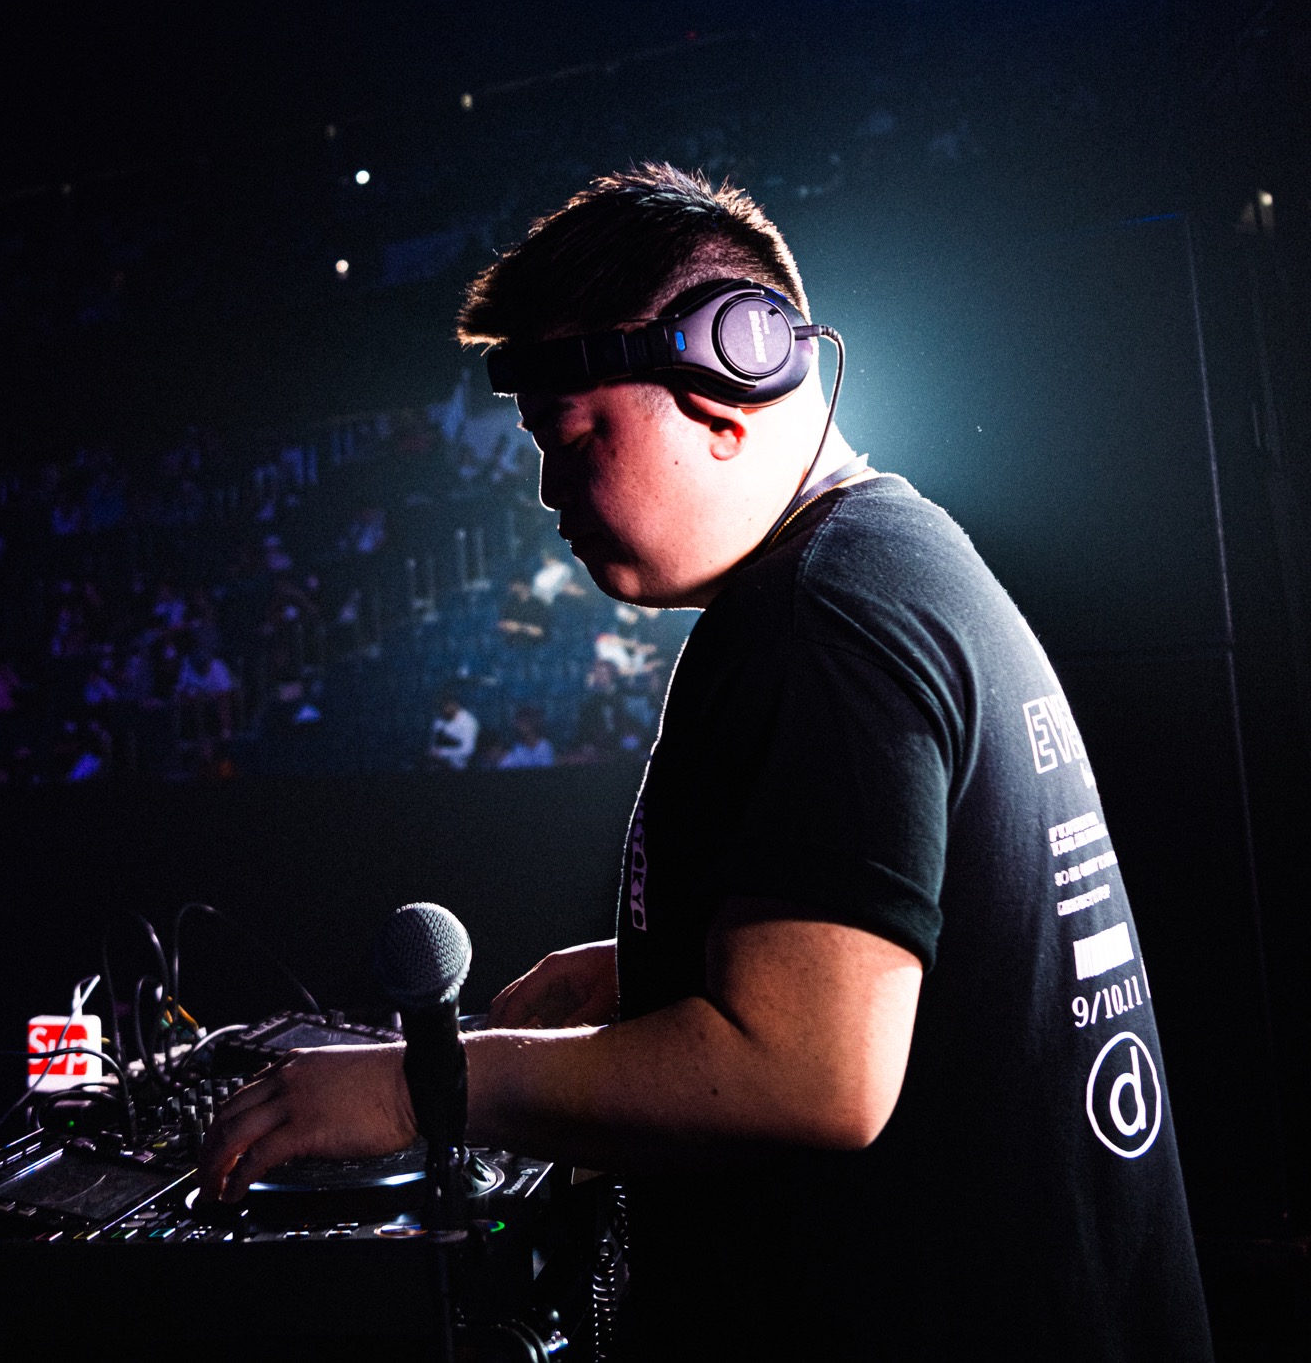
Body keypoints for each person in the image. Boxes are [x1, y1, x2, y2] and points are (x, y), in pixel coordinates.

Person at [200, 165, 1213, 1362]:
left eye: (570, 433)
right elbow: (925, 968)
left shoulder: (817, 621)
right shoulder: (894, 557)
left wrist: (424, 1087)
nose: (546, 488)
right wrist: (657, 971)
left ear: (728, 376)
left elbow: (810, 1075)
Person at [427, 690, 480, 771]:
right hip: (438, 766)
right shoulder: (438, 721)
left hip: (461, 768)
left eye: (446, 705)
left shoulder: (468, 722)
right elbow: (434, 745)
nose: (444, 709)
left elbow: (468, 750)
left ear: (455, 705)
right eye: (441, 706)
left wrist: (442, 753)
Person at [495, 703, 555, 769]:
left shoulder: (545, 746)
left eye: (524, 722)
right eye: (519, 722)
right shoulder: (516, 749)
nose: (521, 726)